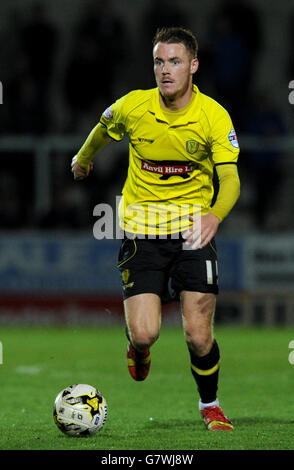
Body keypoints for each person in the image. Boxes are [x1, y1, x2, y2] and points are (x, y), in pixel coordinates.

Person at [71, 27, 240, 431]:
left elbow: (230, 179)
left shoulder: (213, 116)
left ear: (193, 65)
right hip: (141, 234)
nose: (166, 70)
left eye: (175, 61)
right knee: (146, 334)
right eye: (159, 62)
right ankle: (137, 347)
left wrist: (214, 215)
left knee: (199, 335)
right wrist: (82, 158)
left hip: (192, 233)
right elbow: (102, 128)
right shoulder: (134, 106)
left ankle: (210, 405)